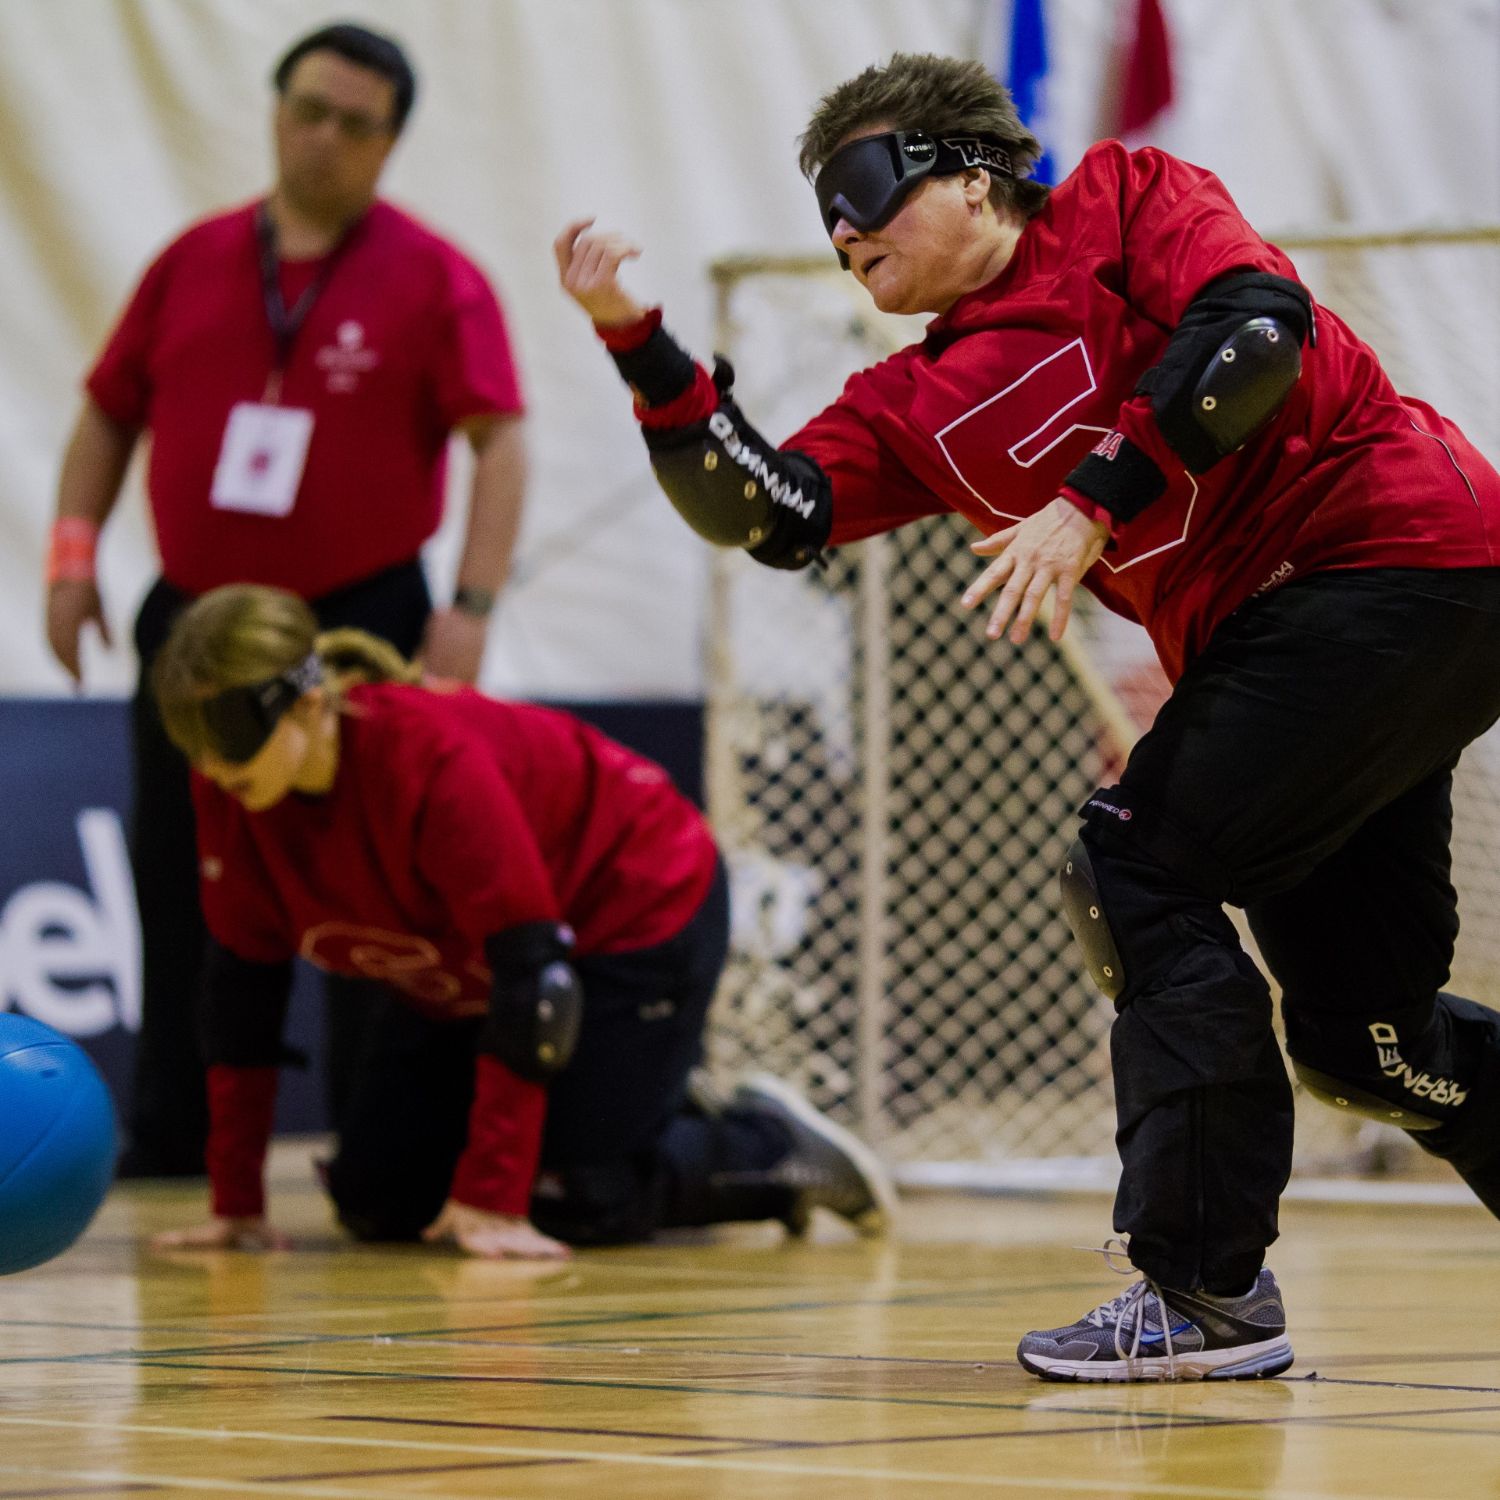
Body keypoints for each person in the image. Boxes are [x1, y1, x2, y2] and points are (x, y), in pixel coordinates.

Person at [556, 51, 1500, 1378]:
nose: (845, 233)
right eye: (827, 219)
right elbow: (770, 513)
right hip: (1356, 633)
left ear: (978, 172)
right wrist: (638, 343)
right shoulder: (910, 403)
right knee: (1366, 1040)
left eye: (867, 189)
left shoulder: (1123, 198)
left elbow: (1253, 332)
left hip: (1387, 551)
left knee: (1133, 856)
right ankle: (1256, 1246)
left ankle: (1200, 1292)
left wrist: (1088, 500)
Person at [45, 23, 529, 1177]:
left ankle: (369, 1137)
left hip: (357, 620)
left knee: (374, 879)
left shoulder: (433, 275)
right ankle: (174, 1125)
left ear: (390, 142)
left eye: (355, 123)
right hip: (199, 623)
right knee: (180, 872)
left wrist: (469, 603)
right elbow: (109, 411)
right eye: (308, 108)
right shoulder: (192, 260)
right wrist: (72, 560)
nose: (324, 137)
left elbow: (500, 438)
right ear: (275, 109)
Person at [146, 584, 895, 1257]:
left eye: (228, 739)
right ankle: (633, 1095)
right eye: (192, 744)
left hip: (632, 904)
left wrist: (493, 1202)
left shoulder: (427, 762)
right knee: (379, 1199)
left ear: (309, 703)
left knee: (576, 1194)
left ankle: (768, 1147)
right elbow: (240, 1000)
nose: (211, 767)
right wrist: (237, 1207)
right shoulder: (232, 789)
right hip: (463, 969)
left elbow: (535, 980)